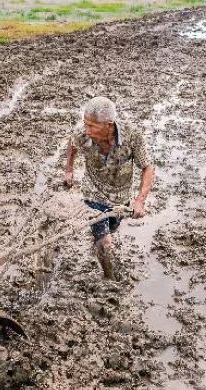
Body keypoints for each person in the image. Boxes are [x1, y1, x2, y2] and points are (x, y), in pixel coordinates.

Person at [64, 97, 155, 280]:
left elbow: (147, 167)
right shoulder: (82, 135)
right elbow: (72, 145)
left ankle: (102, 238)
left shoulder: (132, 135)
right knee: (105, 242)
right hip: (93, 195)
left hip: (120, 198)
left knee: (112, 227)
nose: (87, 130)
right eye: (85, 124)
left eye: (92, 126)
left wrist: (139, 201)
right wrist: (69, 170)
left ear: (109, 125)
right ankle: (109, 278)